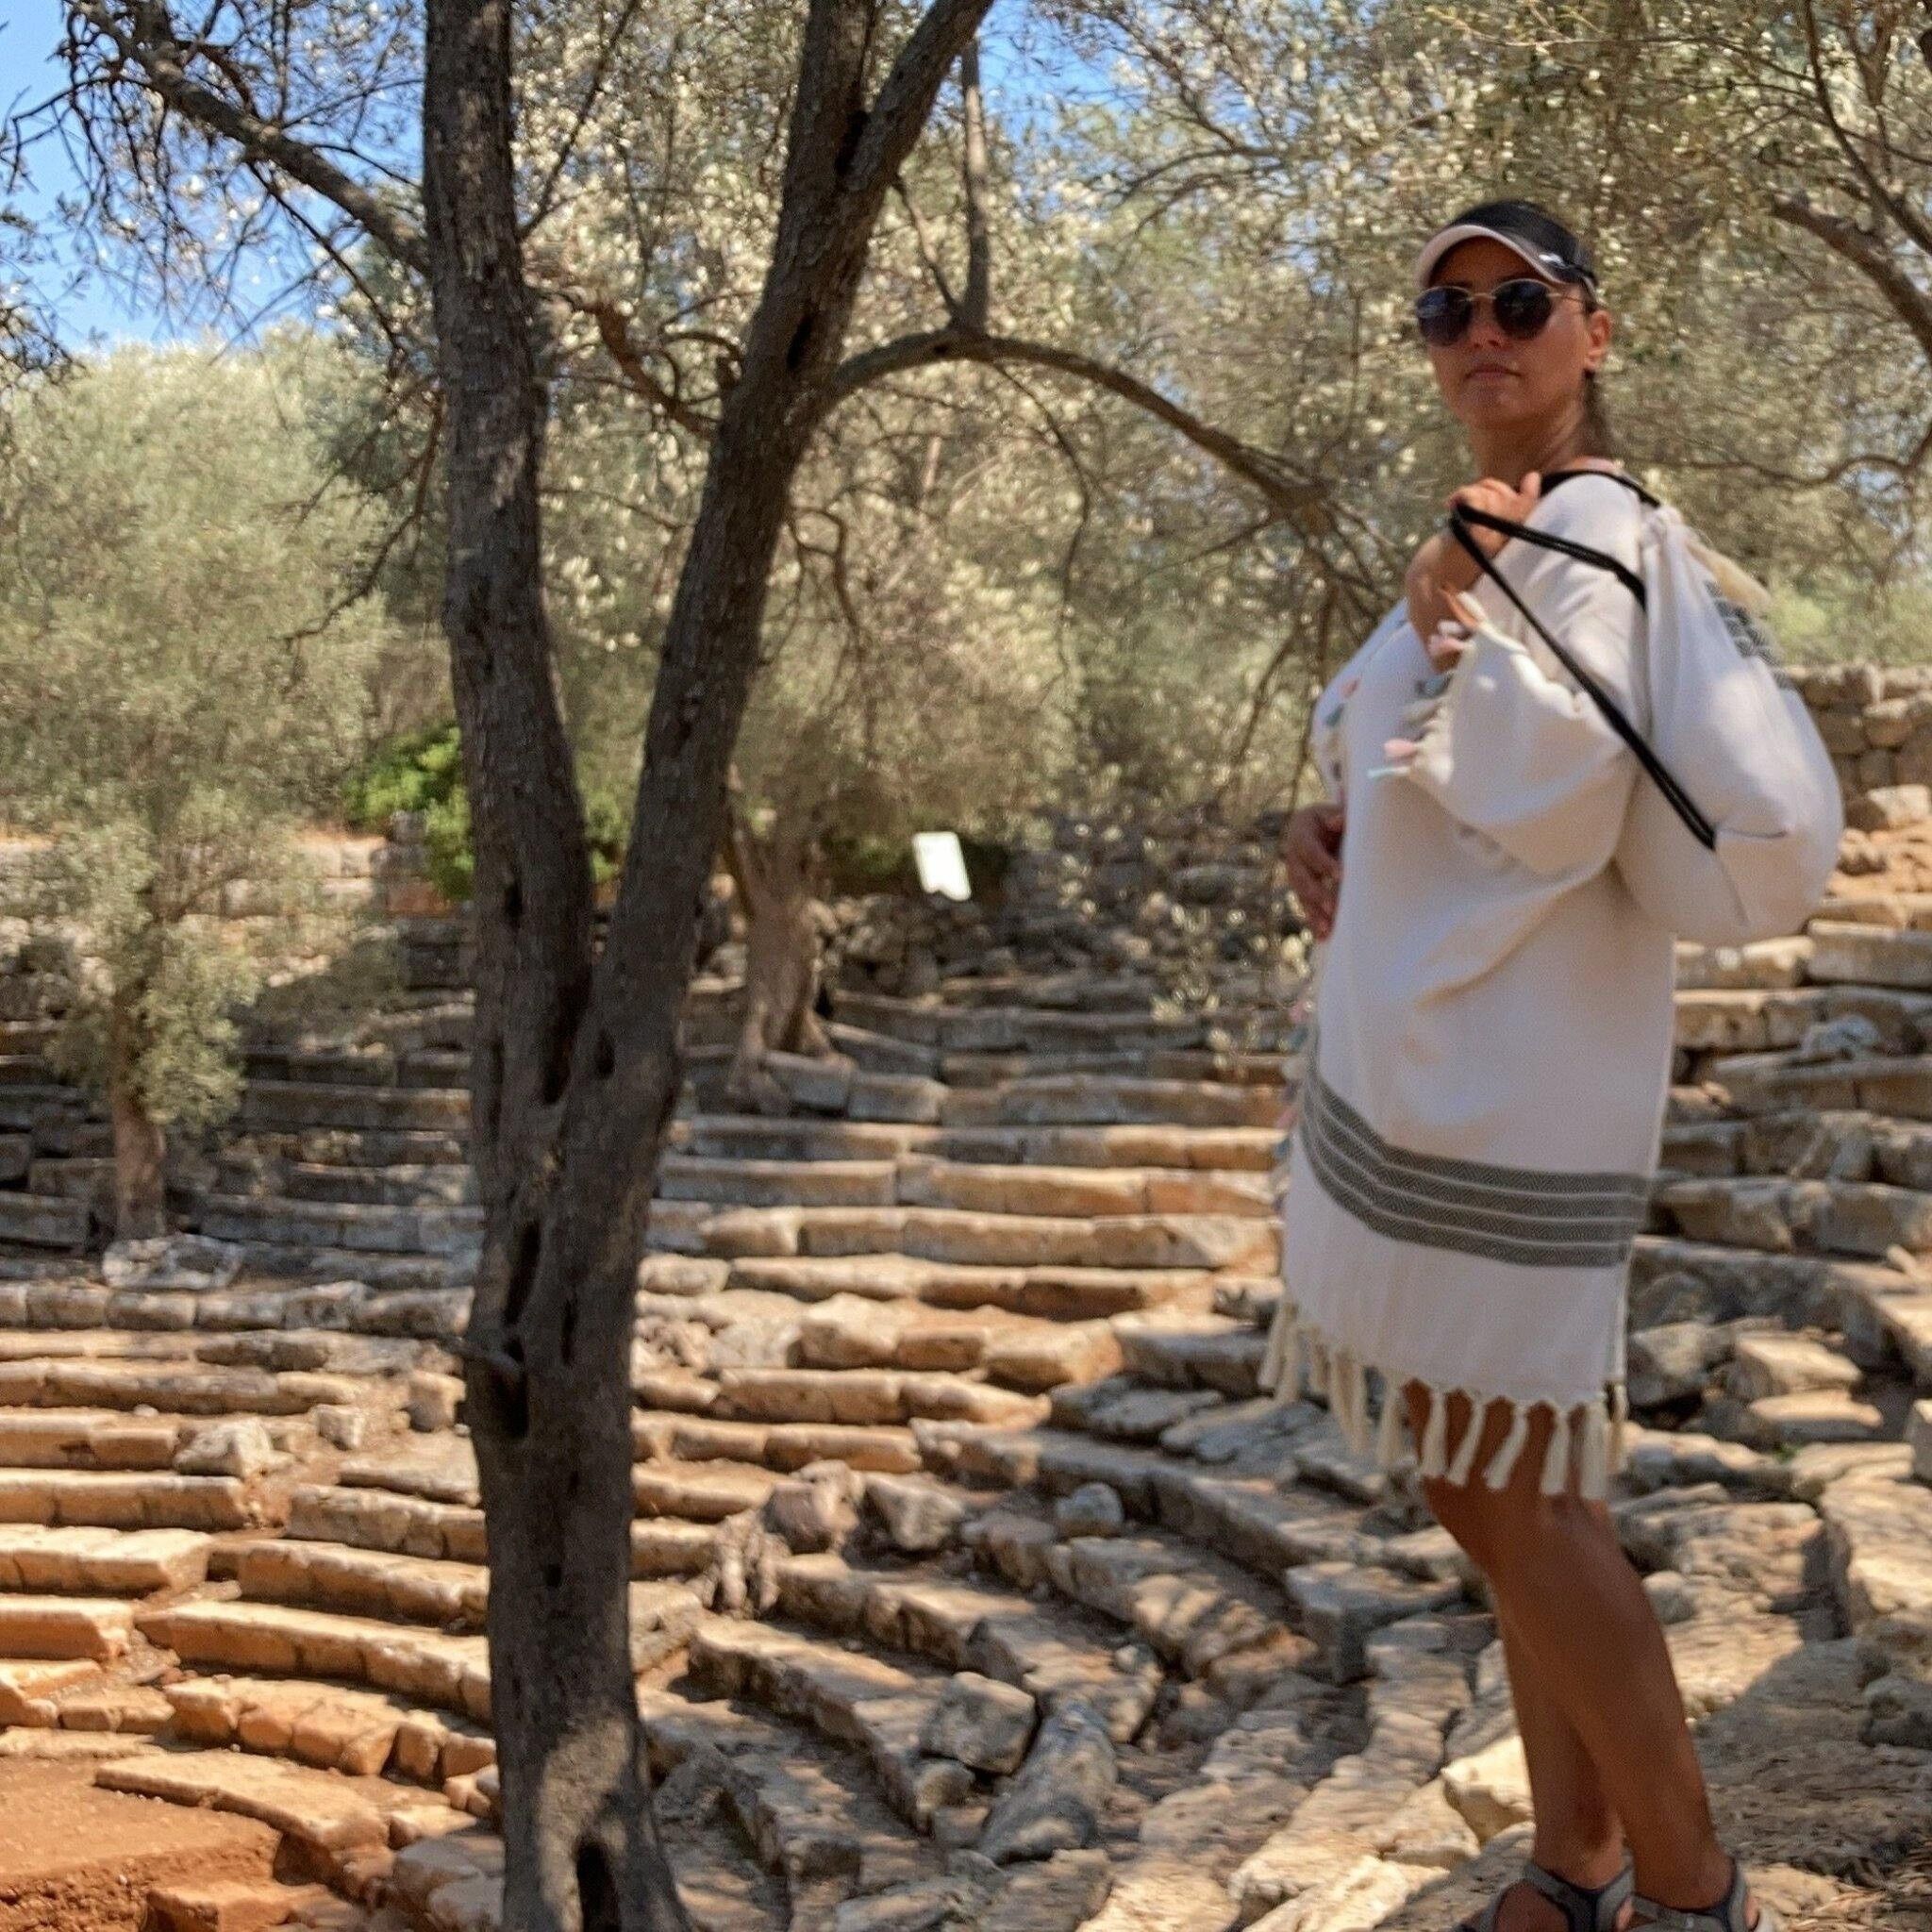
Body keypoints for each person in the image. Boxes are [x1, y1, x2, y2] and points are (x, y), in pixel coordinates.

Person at [1270, 199, 1776, 1932]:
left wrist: (1461, 603)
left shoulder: (1598, 534)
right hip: (1451, 1050)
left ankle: (1697, 1892)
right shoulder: (1502, 531)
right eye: (1445, 308)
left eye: (1517, 301)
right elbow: (1395, 757)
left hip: (1515, 1067)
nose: (1479, 332)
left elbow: (1546, 798)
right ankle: (1577, 1860)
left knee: (1507, 1479)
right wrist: (1328, 826)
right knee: (1491, 1467)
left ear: (1591, 334)